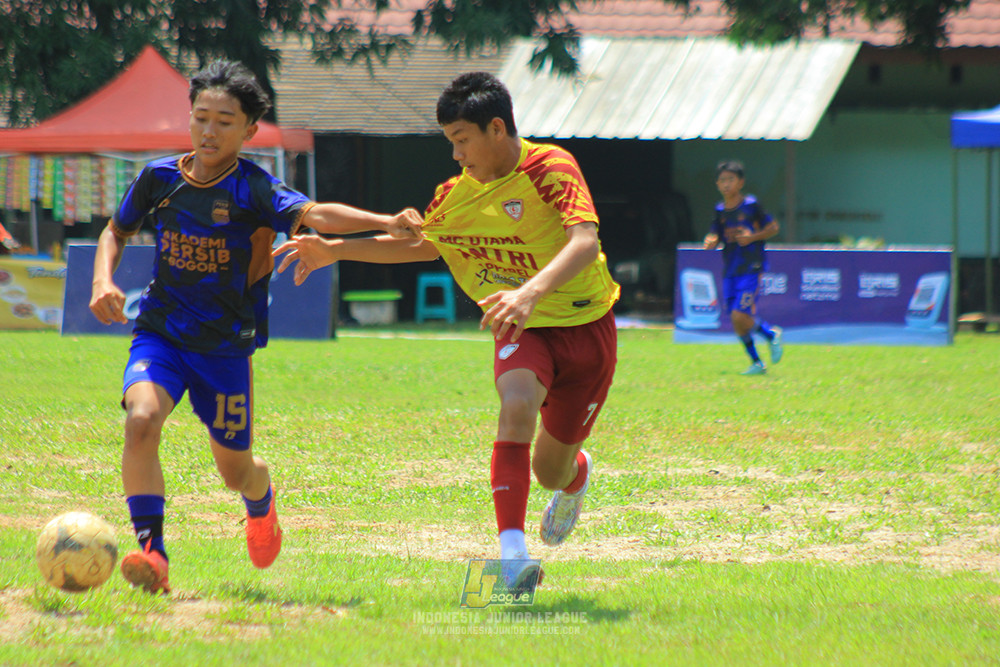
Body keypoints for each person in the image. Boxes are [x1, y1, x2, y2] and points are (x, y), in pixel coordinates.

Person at [273, 71, 620, 590]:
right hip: (518, 324)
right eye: (450, 143)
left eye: (461, 140)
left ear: (496, 128)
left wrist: (529, 292)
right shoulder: (453, 196)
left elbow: (585, 242)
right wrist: (336, 249)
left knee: (551, 471)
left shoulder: (550, 166)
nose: (456, 154)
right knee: (516, 405)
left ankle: (576, 473)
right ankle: (512, 554)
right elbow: (420, 245)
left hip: (585, 327)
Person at [89, 59, 423, 595]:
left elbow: (317, 214)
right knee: (141, 419)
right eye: (201, 117)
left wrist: (385, 222)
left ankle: (260, 498)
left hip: (224, 350)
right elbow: (115, 231)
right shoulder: (159, 178)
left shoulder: (255, 189)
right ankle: (153, 552)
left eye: (225, 121)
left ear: (248, 131)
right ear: (189, 118)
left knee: (236, 471)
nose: (209, 130)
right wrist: (102, 280)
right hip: (161, 332)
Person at [703, 159, 784, 375]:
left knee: (740, 315)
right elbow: (715, 234)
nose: (726, 184)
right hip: (730, 269)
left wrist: (753, 237)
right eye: (722, 180)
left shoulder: (751, 205)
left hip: (751, 266)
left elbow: (773, 227)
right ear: (717, 185)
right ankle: (757, 362)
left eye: (730, 179)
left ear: (741, 182)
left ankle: (770, 335)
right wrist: (710, 241)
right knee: (737, 320)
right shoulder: (719, 210)